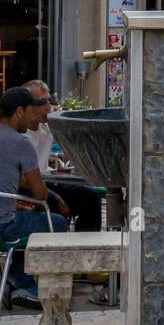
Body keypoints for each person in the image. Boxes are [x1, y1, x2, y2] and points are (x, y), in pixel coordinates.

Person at [0, 85, 68, 310]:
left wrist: (14, 205)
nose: (33, 120)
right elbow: (39, 194)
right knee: (57, 223)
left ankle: (14, 280)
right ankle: (23, 284)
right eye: (31, 113)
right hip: (0, 229)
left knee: (28, 220)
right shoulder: (22, 143)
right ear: (19, 111)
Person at [23, 80, 102, 233]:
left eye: (49, 100)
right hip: (29, 189)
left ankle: (85, 246)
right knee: (58, 205)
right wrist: (57, 198)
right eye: (42, 102)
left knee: (91, 197)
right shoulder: (20, 134)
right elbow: (24, 182)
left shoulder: (46, 126)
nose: (48, 106)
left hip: (47, 182)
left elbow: (73, 138)